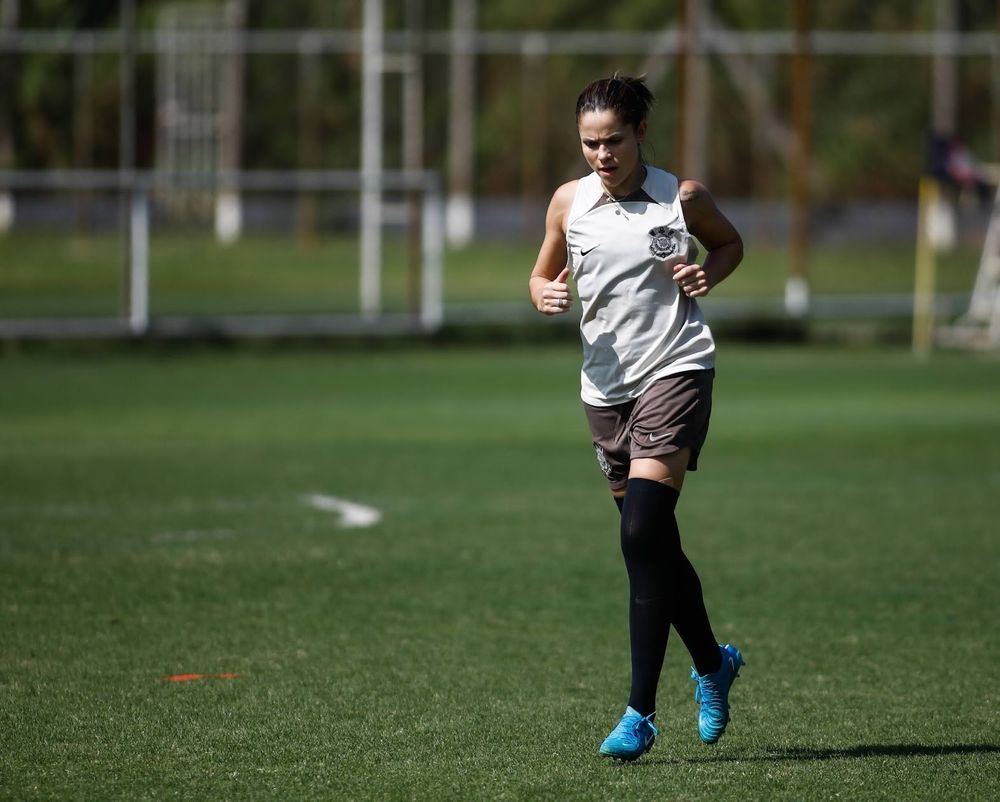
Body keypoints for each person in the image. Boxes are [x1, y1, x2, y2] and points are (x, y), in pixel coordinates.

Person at [528, 74, 745, 762]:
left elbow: (729, 244)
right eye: (590, 143)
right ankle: (713, 663)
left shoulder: (682, 199)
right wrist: (542, 292)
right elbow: (541, 273)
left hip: (676, 368)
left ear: (640, 133)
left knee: (641, 531)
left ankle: (639, 713)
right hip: (604, 391)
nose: (602, 155)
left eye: (614, 140)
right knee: (652, 545)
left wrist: (710, 273)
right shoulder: (569, 202)